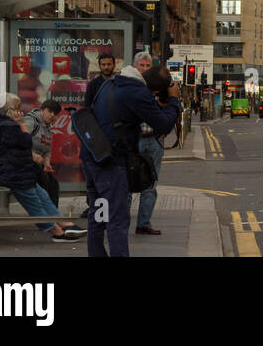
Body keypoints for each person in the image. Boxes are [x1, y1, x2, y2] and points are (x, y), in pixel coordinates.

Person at [82, 53, 180, 257]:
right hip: (112, 162)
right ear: (155, 89)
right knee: (118, 219)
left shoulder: (112, 83)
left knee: (98, 214)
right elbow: (162, 125)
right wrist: (174, 101)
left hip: (92, 157)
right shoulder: (138, 93)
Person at [0, 97, 84, 242]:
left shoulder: (7, 124)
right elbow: (26, 142)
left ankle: (60, 222)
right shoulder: (7, 126)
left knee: (43, 193)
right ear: (10, 111)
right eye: (18, 109)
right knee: (34, 196)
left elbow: (43, 149)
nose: (21, 112)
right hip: (9, 173)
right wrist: (22, 125)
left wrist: (45, 161)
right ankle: (56, 231)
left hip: (16, 170)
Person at [131, 51, 165, 236]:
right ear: (135, 66)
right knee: (127, 183)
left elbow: (167, 112)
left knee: (150, 185)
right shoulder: (130, 85)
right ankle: (121, 221)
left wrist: (162, 133)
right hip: (134, 141)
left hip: (153, 140)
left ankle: (143, 223)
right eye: (141, 65)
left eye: (147, 66)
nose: (144, 69)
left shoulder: (157, 86)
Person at [23, 99, 62, 207]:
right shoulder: (31, 121)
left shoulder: (48, 127)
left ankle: (53, 214)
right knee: (44, 180)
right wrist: (32, 155)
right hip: (25, 161)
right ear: (42, 110)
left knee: (54, 184)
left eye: (55, 113)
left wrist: (47, 164)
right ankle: (43, 212)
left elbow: (47, 151)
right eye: (49, 111)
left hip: (37, 164)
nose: (52, 115)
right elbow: (20, 141)